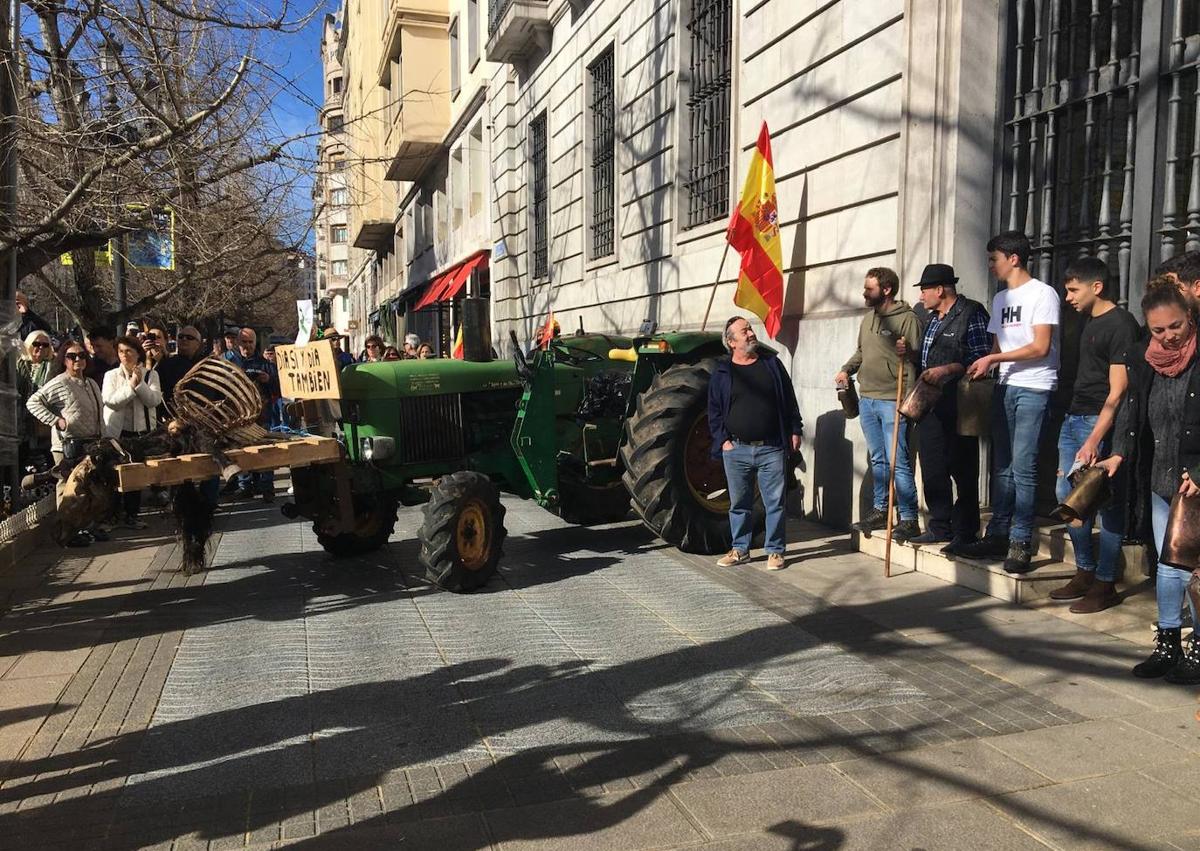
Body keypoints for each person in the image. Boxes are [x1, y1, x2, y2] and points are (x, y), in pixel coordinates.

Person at [1097, 276, 1200, 684]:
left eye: (1175, 326)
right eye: (1159, 329)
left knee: (1195, 570)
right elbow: (1130, 410)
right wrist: (1118, 451)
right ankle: (1168, 643)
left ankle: (1198, 650)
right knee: (1168, 567)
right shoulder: (1143, 356)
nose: (1169, 336)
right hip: (1159, 478)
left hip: (1195, 482)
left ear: (1190, 317)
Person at [962, 231, 1061, 573]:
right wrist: (986, 362)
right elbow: (998, 348)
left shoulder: (1043, 294)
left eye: (994, 259)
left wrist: (993, 361)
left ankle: (1021, 541)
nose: (990, 265)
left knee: (1024, 467)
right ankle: (998, 534)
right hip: (1005, 386)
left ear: (1013, 258)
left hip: (1034, 387)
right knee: (1002, 466)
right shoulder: (1001, 299)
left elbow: (1040, 347)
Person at [1048, 257, 1140, 612]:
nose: (1068, 296)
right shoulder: (1084, 321)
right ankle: (1085, 570)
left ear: (1096, 286)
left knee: (1106, 503)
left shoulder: (1122, 324)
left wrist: (1094, 439)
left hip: (1098, 423)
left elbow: (1118, 392)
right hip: (1073, 416)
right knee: (1065, 494)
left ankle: (1105, 582)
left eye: (1073, 289)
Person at [708, 316, 803, 571]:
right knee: (739, 504)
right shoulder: (722, 372)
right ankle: (740, 549)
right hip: (736, 449)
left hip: (772, 447)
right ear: (731, 342)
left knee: (775, 503)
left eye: (749, 329)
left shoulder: (771, 365)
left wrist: (795, 429)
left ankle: (775, 551)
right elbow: (714, 411)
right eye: (744, 331)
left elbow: (789, 400)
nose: (750, 333)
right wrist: (723, 441)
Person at [835, 267, 922, 541]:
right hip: (868, 399)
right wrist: (846, 369)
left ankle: (909, 518)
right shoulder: (868, 319)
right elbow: (861, 351)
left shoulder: (908, 320)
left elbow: (916, 360)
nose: (864, 293)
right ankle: (881, 510)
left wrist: (907, 403)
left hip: (892, 400)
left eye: (869, 288)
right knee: (879, 459)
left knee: (899, 462)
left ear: (886, 290)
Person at [908, 264, 991, 552]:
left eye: (924, 290)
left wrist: (948, 369)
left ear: (940, 290)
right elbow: (926, 358)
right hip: (931, 403)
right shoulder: (930, 319)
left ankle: (966, 531)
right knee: (932, 466)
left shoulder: (972, 312)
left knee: (963, 469)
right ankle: (939, 525)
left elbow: (982, 358)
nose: (921, 297)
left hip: (961, 403)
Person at [26, 341, 106, 547]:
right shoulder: (60, 382)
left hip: (91, 442)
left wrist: (103, 438)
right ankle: (65, 533)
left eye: (81, 356)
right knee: (68, 489)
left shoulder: (91, 383)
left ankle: (86, 527)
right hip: (67, 445)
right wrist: (56, 420)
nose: (77, 360)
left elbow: (100, 415)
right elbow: (33, 402)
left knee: (89, 489)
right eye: (72, 356)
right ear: (64, 360)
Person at [101, 335, 162, 529]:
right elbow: (111, 401)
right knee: (115, 477)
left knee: (135, 477)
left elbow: (153, 400)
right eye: (121, 351)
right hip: (119, 433)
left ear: (138, 353)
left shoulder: (150, 375)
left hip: (141, 433)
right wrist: (130, 385)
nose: (125, 355)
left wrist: (139, 383)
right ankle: (112, 515)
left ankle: (132, 515)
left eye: (129, 351)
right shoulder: (111, 376)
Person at [223, 328, 277, 501]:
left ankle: (267, 487)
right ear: (238, 342)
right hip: (237, 417)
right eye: (244, 342)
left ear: (255, 343)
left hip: (261, 416)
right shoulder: (227, 361)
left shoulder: (265, 363)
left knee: (265, 452)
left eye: (250, 342)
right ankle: (244, 485)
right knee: (240, 452)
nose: (247, 346)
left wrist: (268, 380)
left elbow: (278, 389)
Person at [16, 330, 59, 473]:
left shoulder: (52, 365)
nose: (40, 348)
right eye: (36, 344)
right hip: (19, 419)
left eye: (45, 345)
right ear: (28, 344)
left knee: (44, 460)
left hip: (42, 420)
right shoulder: (18, 364)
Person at [157, 325, 206, 410]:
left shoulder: (206, 365)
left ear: (198, 344)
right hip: (173, 415)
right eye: (181, 337)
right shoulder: (166, 364)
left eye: (189, 337)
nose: (184, 339)